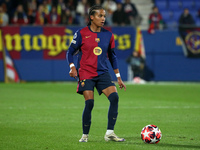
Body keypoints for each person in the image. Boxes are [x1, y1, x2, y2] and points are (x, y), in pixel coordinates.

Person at [67, 5, 126, 142]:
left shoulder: (108, 35)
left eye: (104, 16)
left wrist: (118, 77)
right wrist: (72, 67)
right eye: (100, 16)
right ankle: (85, 135)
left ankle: (109, 133)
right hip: (86, 72)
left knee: (114, 98)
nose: (103, 18)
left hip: (102, 73)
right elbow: (70, 52)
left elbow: (112, 57)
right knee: (90, 103)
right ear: (91, 17)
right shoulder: (81, 33)